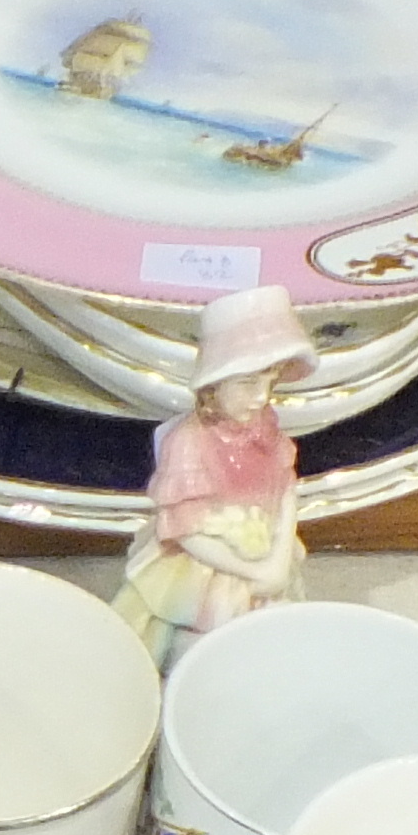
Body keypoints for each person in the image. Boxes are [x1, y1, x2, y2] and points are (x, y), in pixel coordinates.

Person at [116, 285, 318, 666]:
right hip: (207, 567)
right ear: (211, 387)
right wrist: (252, 569)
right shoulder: (189, 443)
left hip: (264, 553)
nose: (261, 398)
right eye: (247, 384)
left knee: (270, 642)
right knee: (202, 649)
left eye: (269, 383)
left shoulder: (264, 426)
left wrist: (277, 559)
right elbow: (185, 529)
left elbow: (285, 485)